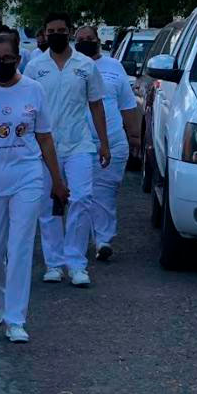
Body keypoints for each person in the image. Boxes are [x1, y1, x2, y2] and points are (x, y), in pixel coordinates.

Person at [0, 33, 69, 343]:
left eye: (7, 59)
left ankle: (16, 318)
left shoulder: (33, 89)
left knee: (20, 247)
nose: (1, 63)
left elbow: (45, 138)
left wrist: (57, 180)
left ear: (18, 59)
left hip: (26, 177)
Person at [23, 13, 110, 287]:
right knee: (48, 204)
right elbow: (25, 108)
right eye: (51, 31)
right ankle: (54, 264)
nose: (56, 35)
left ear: (70, 32)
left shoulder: (86, 65)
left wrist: (104, 142)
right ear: (45, 33)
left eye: (61, 30)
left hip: (79, 144)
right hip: (43, 147)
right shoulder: (34, 67)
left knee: (82, 198)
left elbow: (96, 105)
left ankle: (76, 263)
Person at [74, 26, 139, 261]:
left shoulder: (114, 67)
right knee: (81, 195)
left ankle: (103, 240)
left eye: (89, 38)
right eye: (81, 39)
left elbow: (127, 105)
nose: (85, 42)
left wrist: (134, 135)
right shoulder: (70, 67)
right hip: (77, 143)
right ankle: (76, 243)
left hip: (112, 141)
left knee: (104, 193)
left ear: (98, 41)